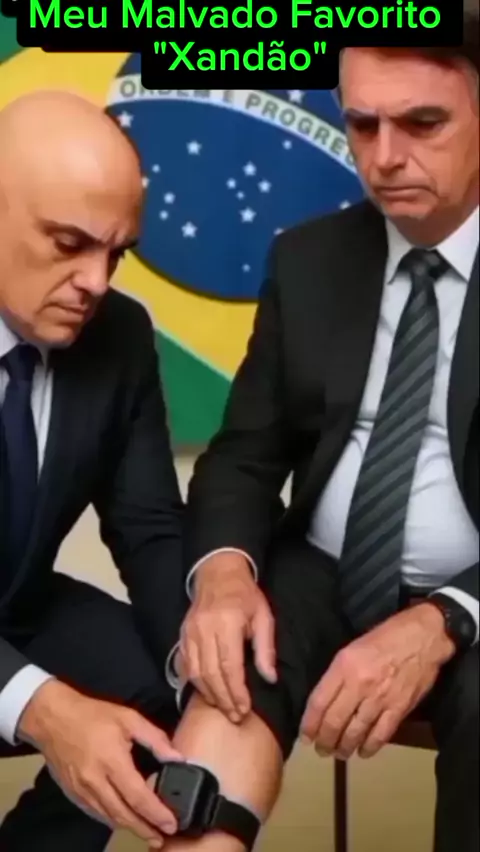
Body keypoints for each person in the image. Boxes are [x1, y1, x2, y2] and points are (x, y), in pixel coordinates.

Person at [152, 15, 479, 852]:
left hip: (475, 596)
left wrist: (442, 619)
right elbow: (245, 455)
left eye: (423, 123)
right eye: (362, 124)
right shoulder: (308, 260)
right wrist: (223, 574)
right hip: (323, 573)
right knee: (234, 656)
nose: (385, 157)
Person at [0, 90, 190, 851]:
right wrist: (44, 707)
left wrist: (200, 668)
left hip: (17, 603)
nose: (97, 281)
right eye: (68, 242)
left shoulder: (121, 334)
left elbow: (149, 527)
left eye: (116, 253)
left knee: (155, 681)